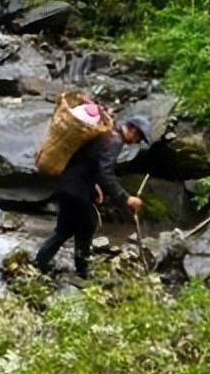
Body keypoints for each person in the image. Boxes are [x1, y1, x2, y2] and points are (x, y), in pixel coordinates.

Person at [34, 113, 150, 278]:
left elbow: (89, 163)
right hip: (77, 192)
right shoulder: (115, 141)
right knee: (87, 225)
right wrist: (126, 198)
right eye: (139, 137)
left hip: (67, 186)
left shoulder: (106, 134)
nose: (138, 142)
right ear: (132, 129)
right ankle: (82, 272)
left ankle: (40, 263)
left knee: (64, 230)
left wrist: (94, 186)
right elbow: (106, 173)